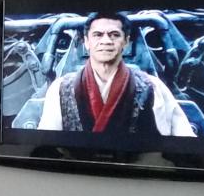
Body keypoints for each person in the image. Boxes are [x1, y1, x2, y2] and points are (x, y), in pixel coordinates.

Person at [36, 12, 195, 137]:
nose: (106, 41)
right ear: (86, 42)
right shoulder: (60, 87)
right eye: (98, 35)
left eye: (114, 34)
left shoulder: (153, 86)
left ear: (126, 41)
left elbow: (183, 137)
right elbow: (48, 142)